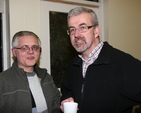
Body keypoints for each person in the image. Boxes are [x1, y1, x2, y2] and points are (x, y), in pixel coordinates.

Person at [60, 7, 141, 113]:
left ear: (96, 31)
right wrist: (66, 99)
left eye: (83, 27)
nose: (76, 35)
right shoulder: (74, 64)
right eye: (72, 29)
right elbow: (67, 90)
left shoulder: (122, 63)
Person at [0, 31, 60, 113]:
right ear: (14, 52)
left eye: (35, 47)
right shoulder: (2, 81)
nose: (31, 52)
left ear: (40, 51)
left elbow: (56, 101)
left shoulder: (46, 77)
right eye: (24, 48)